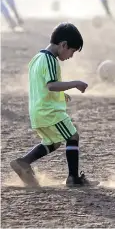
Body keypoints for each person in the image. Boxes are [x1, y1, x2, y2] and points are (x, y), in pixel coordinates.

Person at [10, 23, 98, 187]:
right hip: (49, 112)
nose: (71, 56)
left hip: (38, 111)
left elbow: (42, 85)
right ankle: (73, 179)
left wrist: (60, 94)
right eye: (71, 51)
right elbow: (51, 85)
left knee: (53, 142)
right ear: (63, 44)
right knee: (72, 136)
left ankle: (23, 162)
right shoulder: (50, 60)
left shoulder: (37, 58)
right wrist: (75, 83)